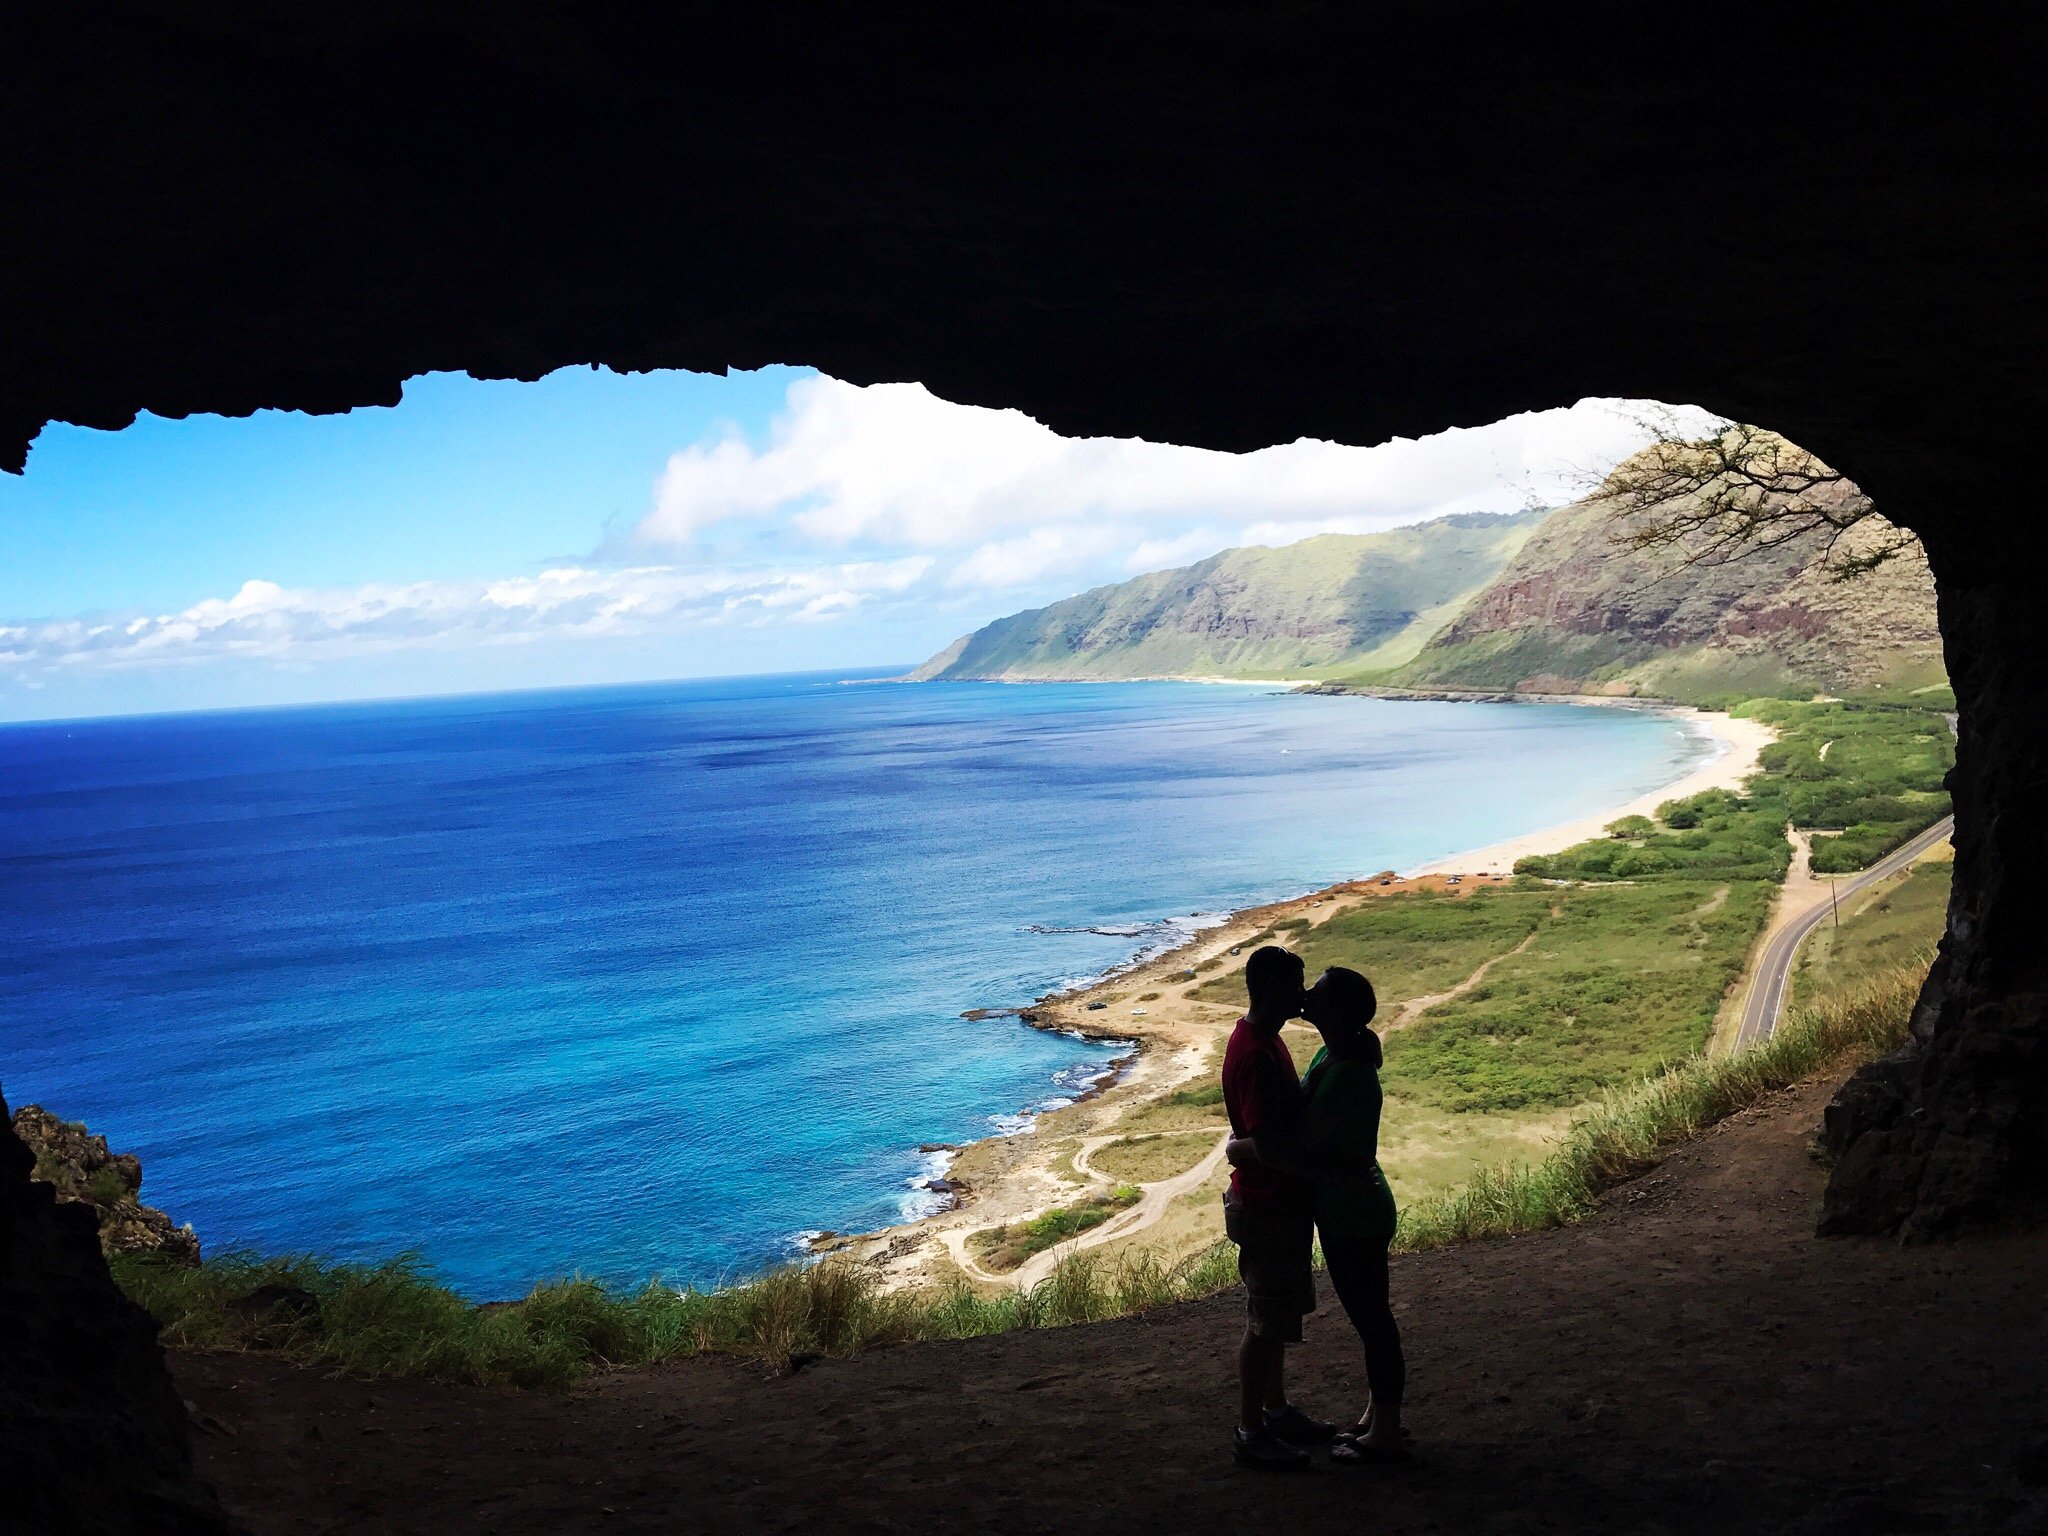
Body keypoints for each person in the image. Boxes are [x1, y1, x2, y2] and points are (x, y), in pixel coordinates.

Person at [1219, 944, 1337, 1470]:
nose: (1304, 993)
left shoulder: (1261, 1040)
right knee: (1264, 1322)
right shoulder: (1258, 1054)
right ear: (1271, 989)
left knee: (1271, 1317)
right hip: (1268, 1205)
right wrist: (1325, 1175)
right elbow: (1266, 1145)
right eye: (1296, 984)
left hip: (1271, 1201)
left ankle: (1274, 1410)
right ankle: (1251, 1430)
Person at [1295, 966, 1407, 1465]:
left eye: (1315, 993)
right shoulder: (1336, 1054)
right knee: (1372, 1318)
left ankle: (1384, 1433)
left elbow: (1302, 1140)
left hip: (1354, 1213)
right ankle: (1376, 1416)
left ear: (1336, 1010)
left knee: (1373, 1322)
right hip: (1355, 1205)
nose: (1305, 997)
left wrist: (1251, 1149)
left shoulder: (1345, 1072)